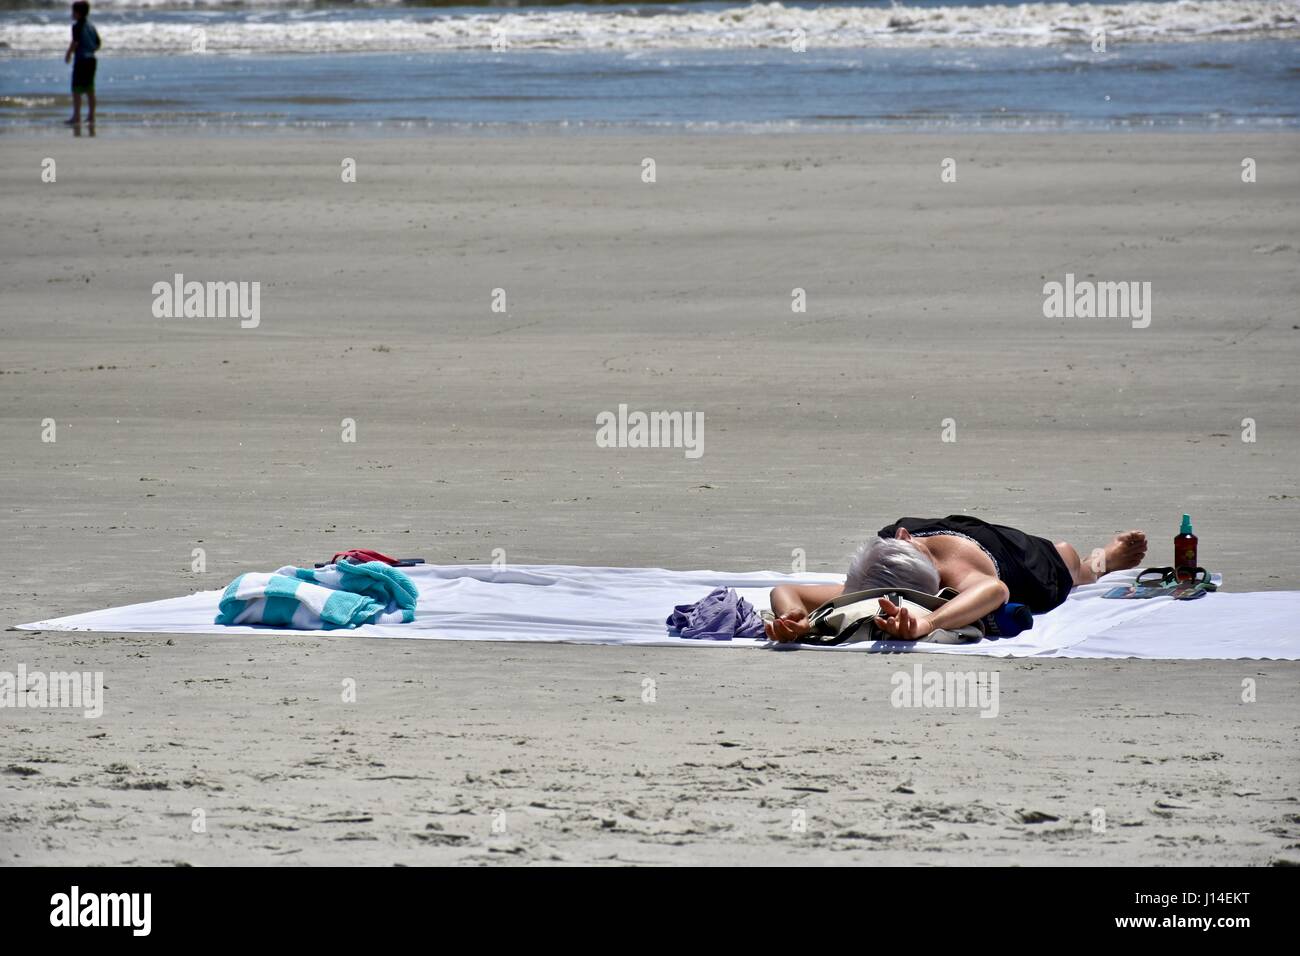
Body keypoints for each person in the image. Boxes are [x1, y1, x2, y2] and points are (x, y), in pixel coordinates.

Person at [766, 515, 1147, 642]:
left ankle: (1103, 561)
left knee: (1068, 562)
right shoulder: (893, 546)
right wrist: (794, 619)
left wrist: (927, 622)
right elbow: (788, 590)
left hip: (1022, 560)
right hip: (935, 537)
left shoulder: (960, 574)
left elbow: (995, 590)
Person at [64, 1, 100, 126]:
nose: (71, 14)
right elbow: (98, 44)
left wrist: (68, 53)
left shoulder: (76, 26)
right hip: (92, 60)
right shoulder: (91, 26)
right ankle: (91, 116)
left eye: (73, 11)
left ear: (78, 13)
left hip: (81, 60)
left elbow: (75, 42)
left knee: (76, 89)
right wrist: (90, 49)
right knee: (90, 89)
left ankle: (77, 116)